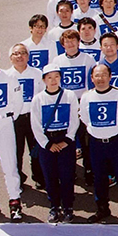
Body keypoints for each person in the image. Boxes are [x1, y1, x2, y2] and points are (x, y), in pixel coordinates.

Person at [80, 65, 118, 223]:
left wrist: (117, 129)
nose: (100, 78)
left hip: (116, 142)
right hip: (96, 143)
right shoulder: (87, 96)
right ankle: (102, 208)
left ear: (110, 76)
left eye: (104, 75)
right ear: (92, 78)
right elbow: (84, 117)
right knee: (99, 178)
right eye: (97, 75)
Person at [29, 64, 80, 223]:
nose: (53, 80)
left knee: (67, 175)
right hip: (47, 142)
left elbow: (74, 119)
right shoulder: (38, 98)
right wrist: (47, 144)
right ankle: (54, 206)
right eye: (49, 77)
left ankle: (68, 207)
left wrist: (67, 140)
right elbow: (35, 124)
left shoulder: (69, 95)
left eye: (56, 77)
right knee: (50, 176)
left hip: (65, 140)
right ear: (44, 80)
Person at [7, 44, 46, 190]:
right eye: (16, 53)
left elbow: (43, 95)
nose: (20, 56)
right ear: (11, 58)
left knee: (36, 149)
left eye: (23, 53)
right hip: (14, 119)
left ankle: (39, 177)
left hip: (32, 117)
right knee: (15, 151)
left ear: (28, 56)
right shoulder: (6, 76)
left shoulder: (37, 73)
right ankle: (18, 179)